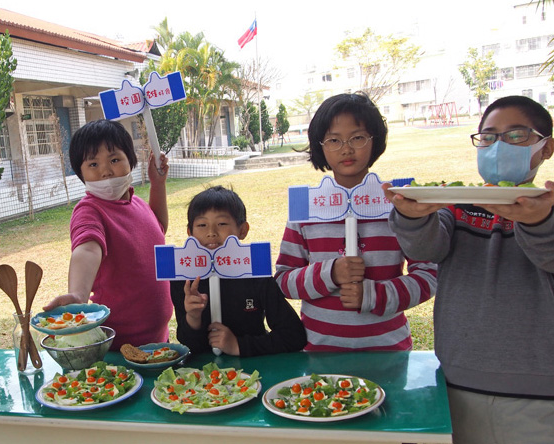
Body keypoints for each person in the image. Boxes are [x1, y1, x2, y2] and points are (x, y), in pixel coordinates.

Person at [383, 95, 554, 444]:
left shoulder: (549, 207)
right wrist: (412, 216)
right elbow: (425, 248)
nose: (498, 145)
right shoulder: (459, 205)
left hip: (539, 394)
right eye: (488, 136)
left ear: (546, 147)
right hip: (456, 385)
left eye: (516, 135)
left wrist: (539, 222)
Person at [274, 92, 437, 351]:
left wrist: (373, 295)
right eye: (334, 140)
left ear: (375, 140)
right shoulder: (306, 206)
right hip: (319, 352)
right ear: (320, 146)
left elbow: (429, 275)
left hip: (388, 351)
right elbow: (283, 280)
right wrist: (330, 273)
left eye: (358, 138)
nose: (346, 149)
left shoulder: (399, 202)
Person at [43, 119, 172, 350]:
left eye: (114, 159)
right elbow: (88, 248)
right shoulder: (89, 210)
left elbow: (158, 228)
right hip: (117, 350)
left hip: (158, 343)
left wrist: (158, 184)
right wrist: (77, 294)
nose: (106, 171)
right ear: (80, 172)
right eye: (93, 164)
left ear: (130, 161)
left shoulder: (138, 204)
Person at [171, 185, 307, 357]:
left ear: (242, 230)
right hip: (203, 376)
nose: (211, 233)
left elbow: (294, 336)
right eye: (202, 225)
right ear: (190, 233)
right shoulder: (184, 278)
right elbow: (189, 345)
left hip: (252, 372)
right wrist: (193, 317)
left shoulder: (255, 274)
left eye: (222, 224)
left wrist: (238, 345)